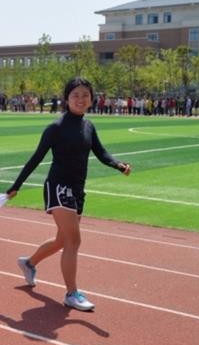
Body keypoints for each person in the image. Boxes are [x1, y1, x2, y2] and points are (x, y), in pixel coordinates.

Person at [7, 77, 131, 311]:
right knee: (74, 240)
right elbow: (36, 158)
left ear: (92, 99)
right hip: (57, 186)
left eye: (85, 95)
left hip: (77, 190)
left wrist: (118, 165)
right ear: (66, 99)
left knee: (62, 240)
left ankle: (29, 263)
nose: (80, 99)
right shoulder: (55, 128)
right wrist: (16, 185)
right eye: (75, 95)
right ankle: (72, 294)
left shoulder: (89, 126)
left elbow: (102, 153)